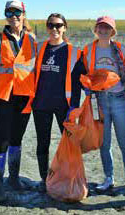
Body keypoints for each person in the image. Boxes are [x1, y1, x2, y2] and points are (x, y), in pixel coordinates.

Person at [0, 0, 36, 203]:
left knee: (17, 139)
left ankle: (13, 179)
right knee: (2, 141)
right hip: (2, 98)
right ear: (5, 16)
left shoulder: (31, 40)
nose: (14, 16)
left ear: (24, 14)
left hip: (24, 98)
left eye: (17, 12)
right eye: (9, 13)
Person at [82, 16, 125, 195]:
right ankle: (109, 178)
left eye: (107, 28)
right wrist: (87, 87)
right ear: (96, 29)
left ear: (113, 31)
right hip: (100, 101)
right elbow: (83, 73)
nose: (103, 30)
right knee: (104, 143)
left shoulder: (122, 50)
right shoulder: (88, 50)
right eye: (100, 27)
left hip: (120, 99)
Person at [32, 13, 85, 192]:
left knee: (70, 144)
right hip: (40, 104)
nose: (54, 29)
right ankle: (43, 179)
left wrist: (74, 107)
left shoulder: (75, 52)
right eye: (51, 25)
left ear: (65, 27)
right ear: (47, 27)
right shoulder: (38, 48)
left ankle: (70, 178)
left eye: (58, 25)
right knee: (42, 142)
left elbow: (79, 82)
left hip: (65, 106)